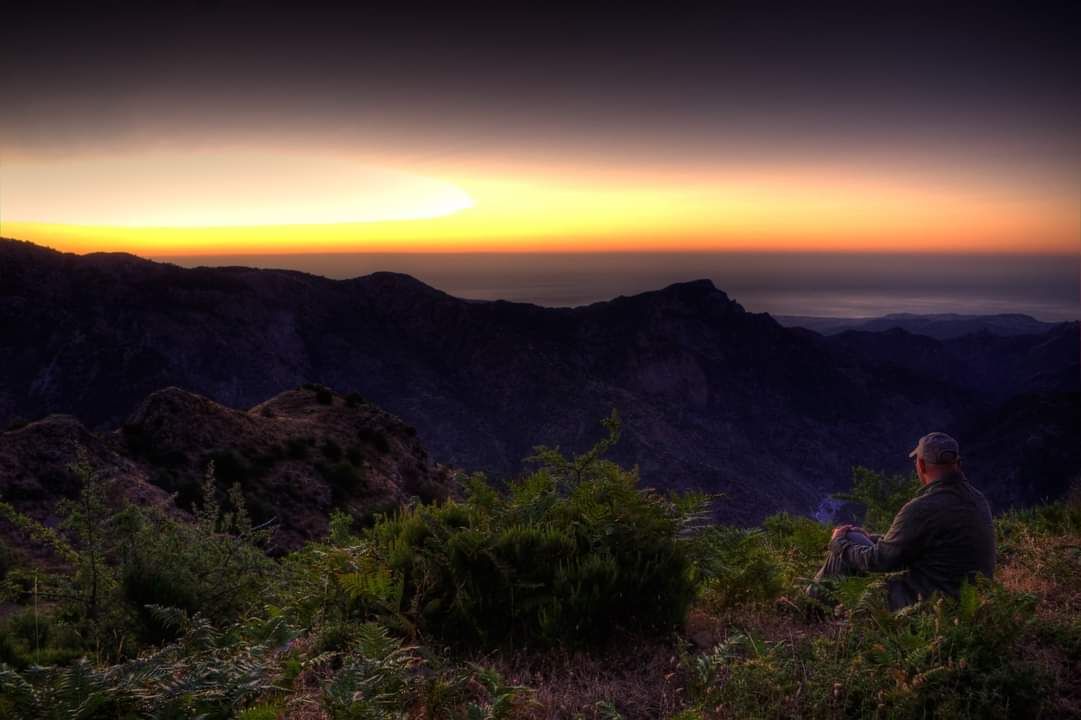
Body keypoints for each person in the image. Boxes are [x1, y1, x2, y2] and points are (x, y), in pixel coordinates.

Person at [810, 432, 996, 610]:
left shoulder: (922, 508)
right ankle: (812, 599)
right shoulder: (978, 500)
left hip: (925, 605)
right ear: (958, 464)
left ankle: (810, 606)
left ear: (921, 465)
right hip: (968, 603)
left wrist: (839, 545)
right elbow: (929, 545)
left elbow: (881, 562)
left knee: (848, 539)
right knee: (856, 538)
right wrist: (873, 538)